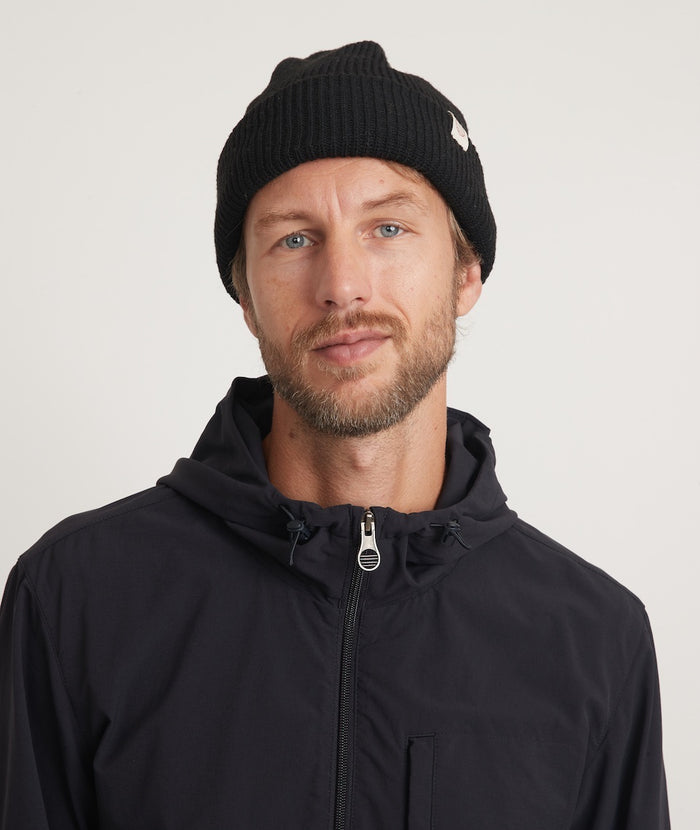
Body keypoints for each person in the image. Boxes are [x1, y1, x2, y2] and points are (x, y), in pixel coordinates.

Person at [0, 41, 670, 829]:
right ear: (246, 297)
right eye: (294, 238)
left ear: (466, 273)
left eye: (387, 228)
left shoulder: (593, 640)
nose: (342, 285)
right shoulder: (76, 600)